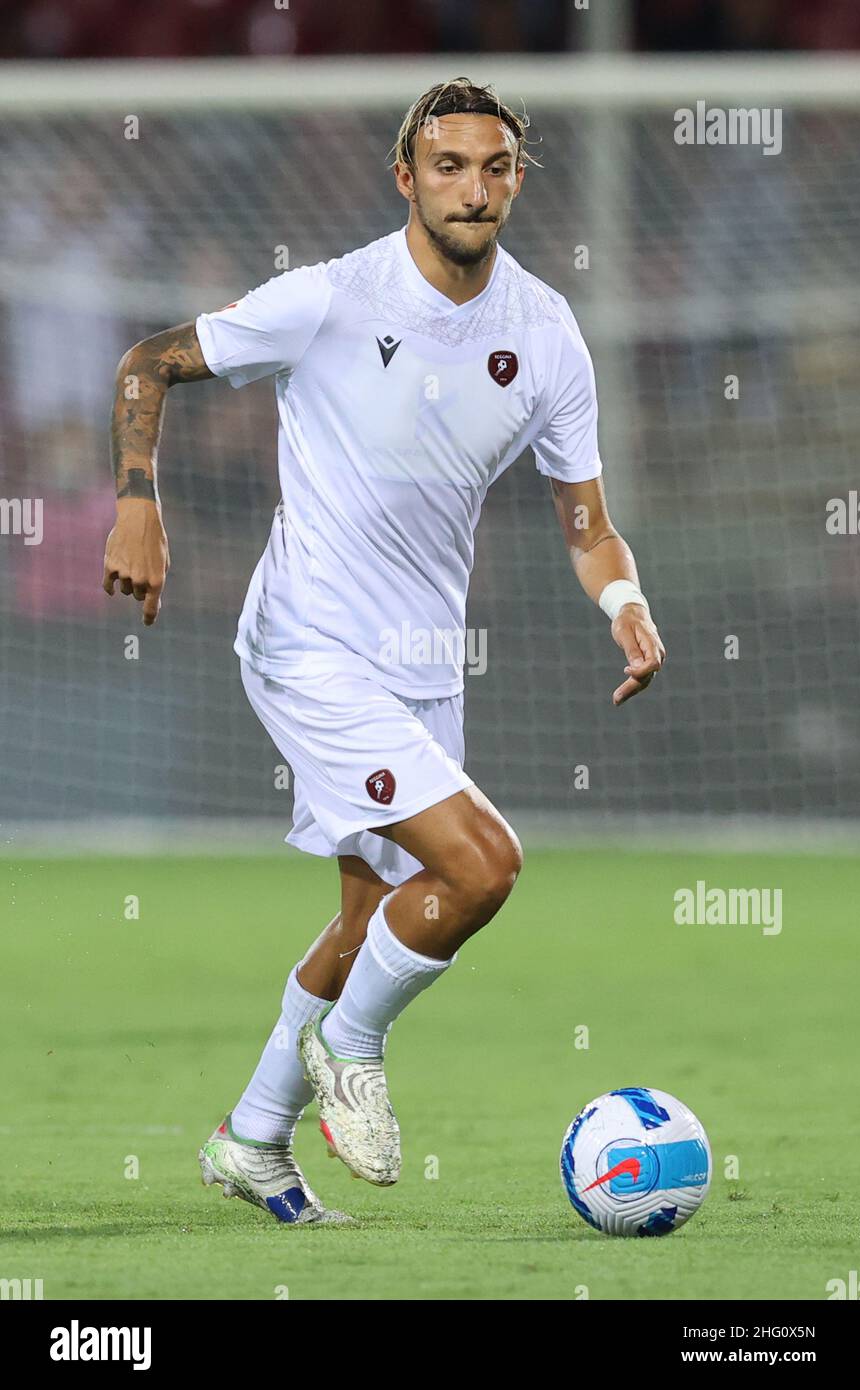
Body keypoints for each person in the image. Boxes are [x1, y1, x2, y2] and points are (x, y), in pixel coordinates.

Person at [103, 78, 666, 1225]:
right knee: (483, 866)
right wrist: (135, 502)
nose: (472, 186)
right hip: (307, 641)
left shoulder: (545, 332)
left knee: (373, 919)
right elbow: (147, 360)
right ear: (403, 175)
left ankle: (252, 1138)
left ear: (517, 179)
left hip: (420, 664)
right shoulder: (330, 300)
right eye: (447, 164)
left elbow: (586, 524)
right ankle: (349, 1054)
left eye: (493, 166)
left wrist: (624, 599)